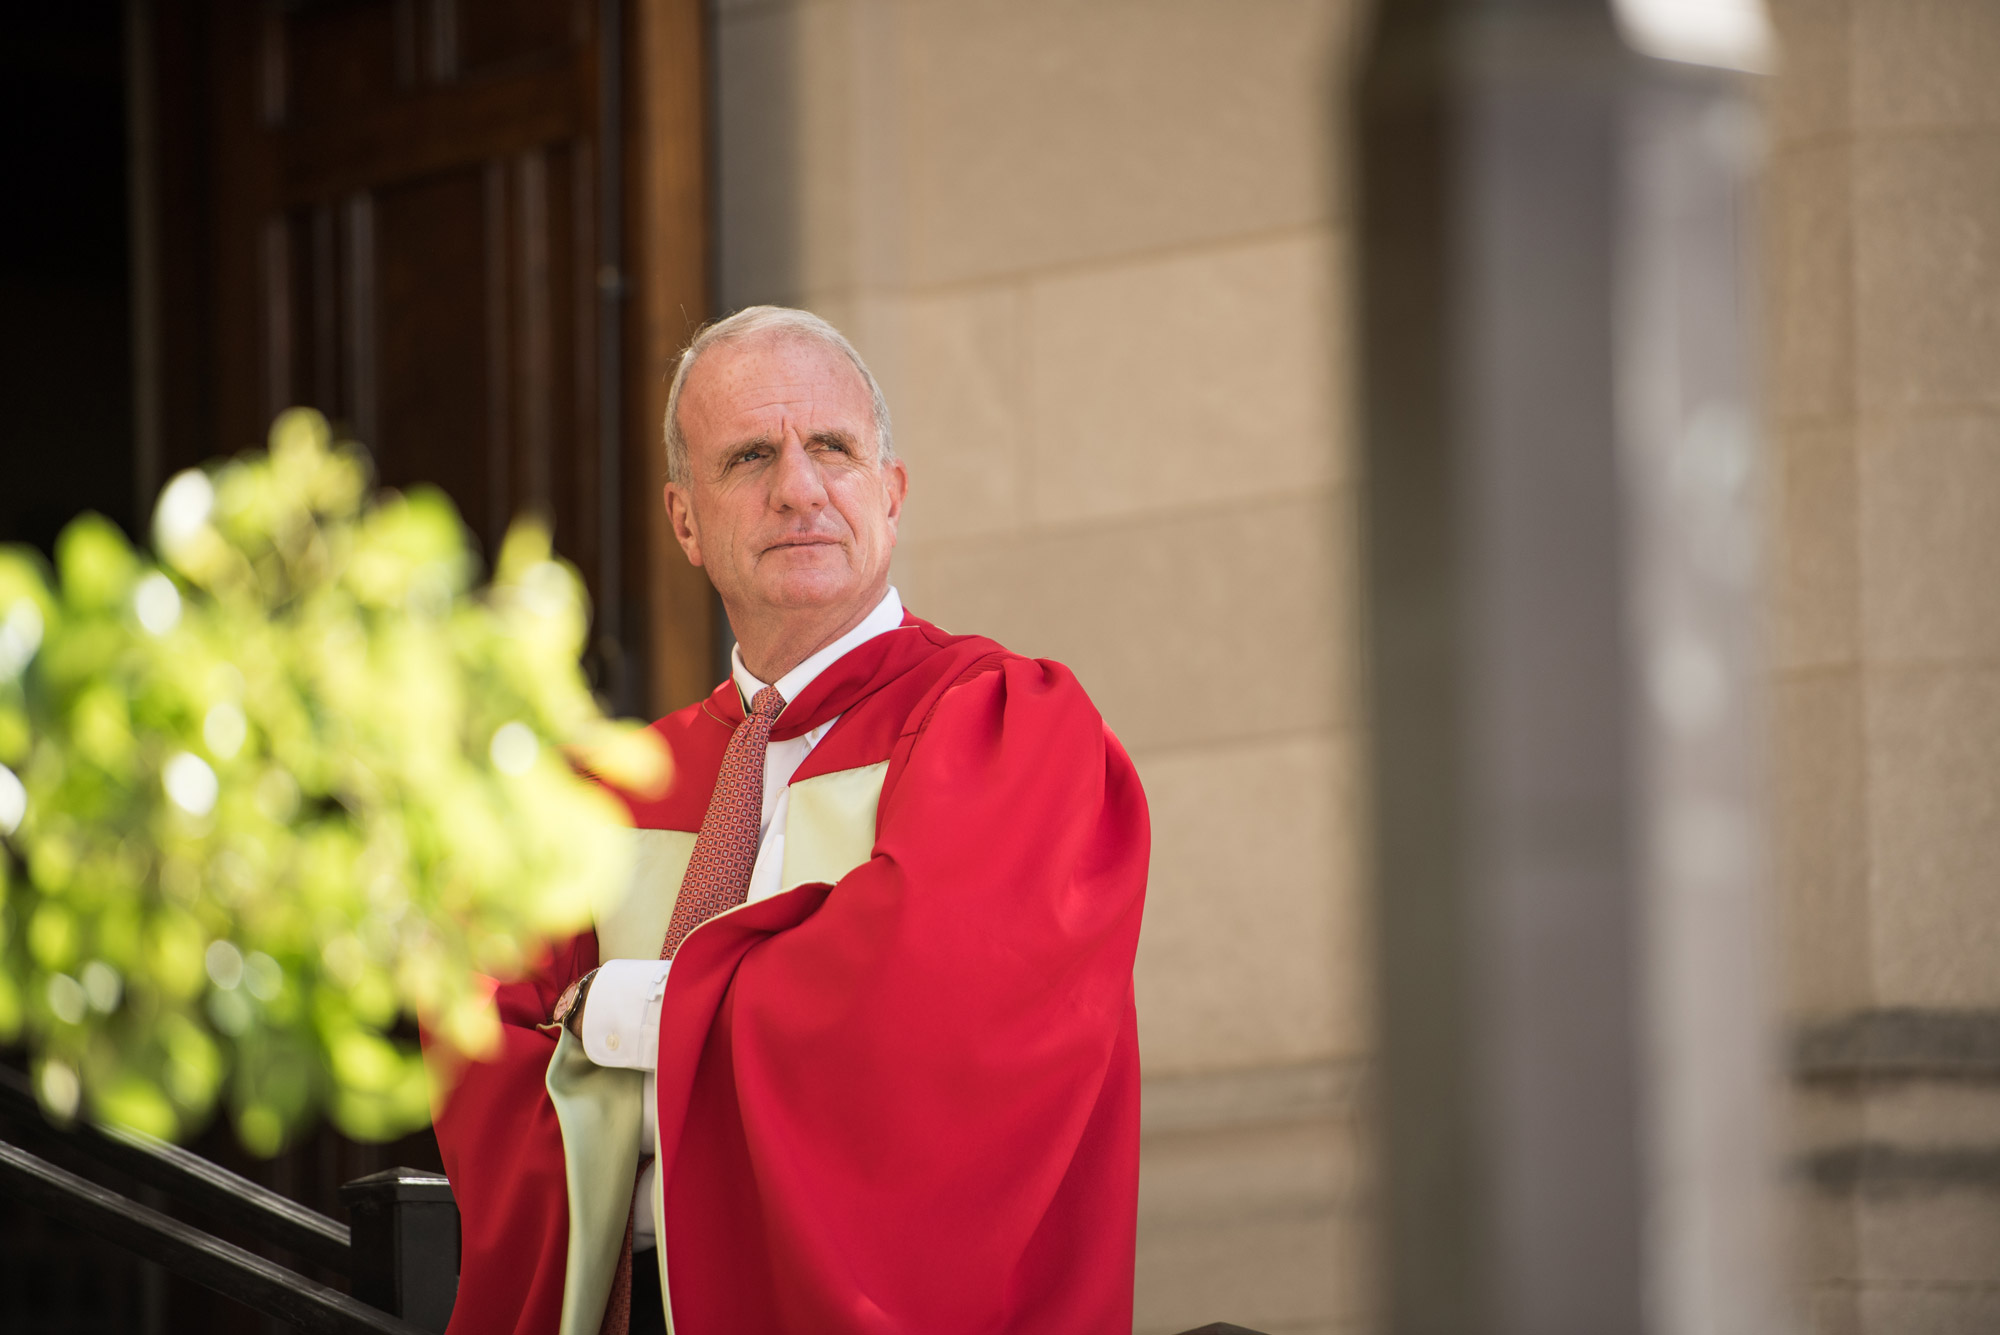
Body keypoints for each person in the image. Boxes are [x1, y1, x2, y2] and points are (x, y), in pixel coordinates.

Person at [430, 306, 1150, 1335]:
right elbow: (485, 1030)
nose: (798, 489)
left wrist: (624, 1021)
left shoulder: (1003, 730)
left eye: (831, 449)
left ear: (891, 496)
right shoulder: (609, 793)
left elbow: (919, 1023)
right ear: (685, 520)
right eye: (751, 456)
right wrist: (722, 1084)